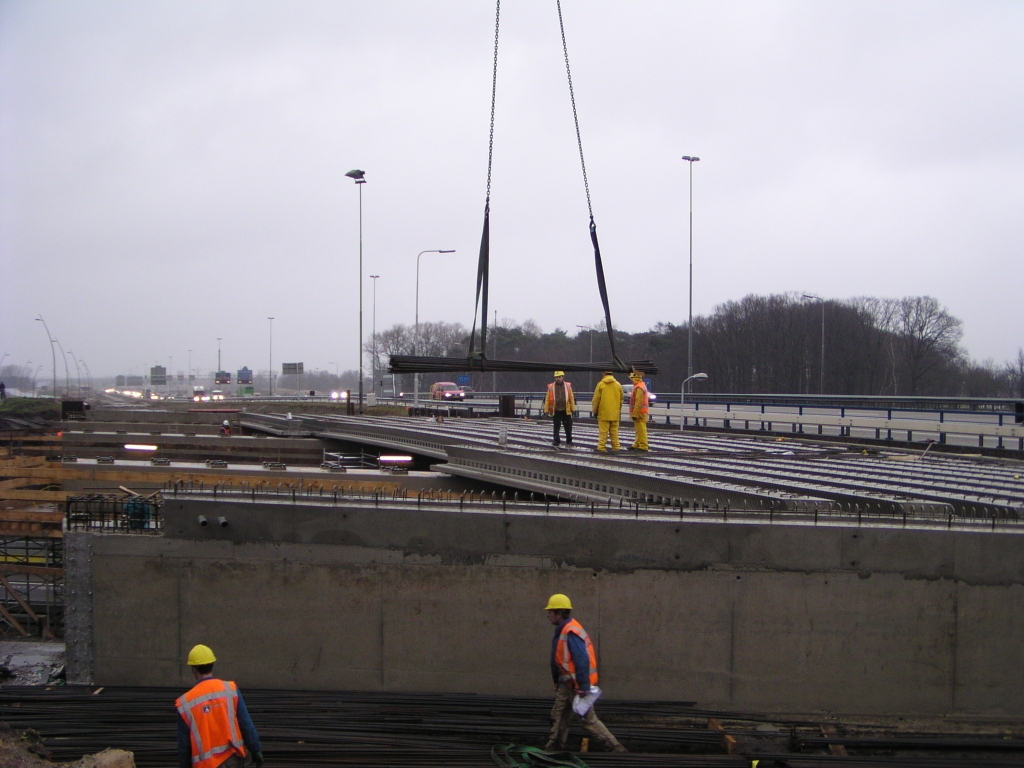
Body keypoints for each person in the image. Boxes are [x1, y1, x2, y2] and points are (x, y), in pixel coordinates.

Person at [543, 594, 626, 753]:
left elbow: (581, 660)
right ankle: (553, 749)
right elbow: (558, 659)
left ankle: (617, 750)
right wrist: (556, 680)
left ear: (559, 613)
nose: (548, 615)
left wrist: (583, 686)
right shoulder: (562, 630)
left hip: (577, 687)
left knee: (588, 721)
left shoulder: (571, 631)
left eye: (550, 612)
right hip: (565, 684)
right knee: (558, 717)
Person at [177, 644, 264, 768]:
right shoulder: (230, 690)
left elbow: (184, 747)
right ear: (212, 665)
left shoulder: (185, 703)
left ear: (194, 669)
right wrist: (255, 749)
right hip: (233, 760)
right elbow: (245, 724)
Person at [590, 371, 623, 452]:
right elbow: (621, 399)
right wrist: (618, 410)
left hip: (603, 413)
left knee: (603, 432)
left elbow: (596, 399)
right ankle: (616, 447)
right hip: (615, 413)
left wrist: (594, 411)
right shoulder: (618, 385)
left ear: (604, 374)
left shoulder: (601, 384)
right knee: (614, 432)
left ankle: (601, 447)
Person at [543, 371, 575, 449]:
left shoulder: (567, 386)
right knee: (556, 425)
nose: (558, 378)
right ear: (555, 378)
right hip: (556, 409)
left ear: (562, 377)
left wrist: (572, 408)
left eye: (559, 377)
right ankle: (556, 440)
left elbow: (571, 397)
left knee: (568, 426)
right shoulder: (551, 387)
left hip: (565, 409)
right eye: (557, 377)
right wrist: (546, 410)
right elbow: (547, 399)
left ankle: (569, 440)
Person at [628, 371, 649, 452]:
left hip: (640, 412)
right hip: (641, 412)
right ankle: (637, 444)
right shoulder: (639, 385)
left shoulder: (638, 387)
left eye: (632, 378)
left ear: (634, 378)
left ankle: (643, 446)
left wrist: (635, 414)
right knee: (638, 429)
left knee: (641, 429)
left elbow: (638, 402)